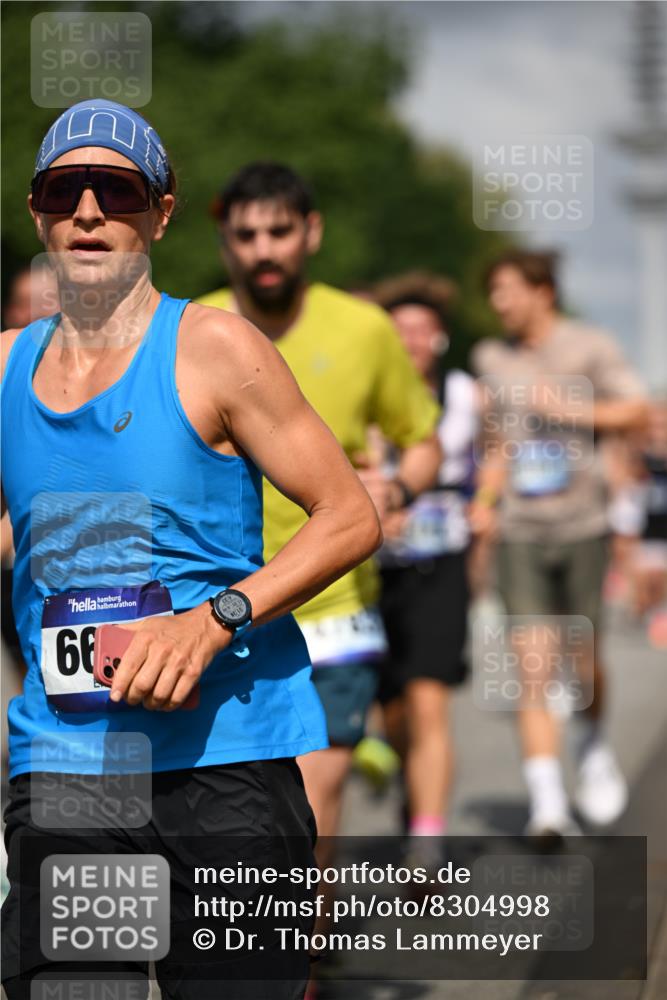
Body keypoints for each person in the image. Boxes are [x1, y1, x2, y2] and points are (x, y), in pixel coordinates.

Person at [1, 100, 382, 1000]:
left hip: (225, 757)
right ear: (37, 212)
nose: (89, 211)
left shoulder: (213, 348)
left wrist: (212, 623)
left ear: (160, 214)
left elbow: (347, 515)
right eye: (66, 190)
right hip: (66, 761)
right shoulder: (6, 365)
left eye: (118, 190)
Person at [198, 163, 441, 846]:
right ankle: (288, 939)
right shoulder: (197, 329)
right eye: (245, 235)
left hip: (335, 606)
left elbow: (421, 439)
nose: (263, 249)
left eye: (279, 231)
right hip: (225, 606)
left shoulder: (364, 329)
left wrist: (396, 487)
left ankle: (301, 948)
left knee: (312, 789)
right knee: (241, 812)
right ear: (224, 242)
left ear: (311, 232)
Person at [472, 250, 648, 838]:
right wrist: (485, 503)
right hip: (522, 529)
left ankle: (593, 744)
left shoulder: (589, 345)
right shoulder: (490, 359)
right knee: (532, 665)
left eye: (508, 290)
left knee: (584, 659)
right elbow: (495, 446)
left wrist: (576, 408)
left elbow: (638, 410)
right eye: (493, 292)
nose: (499, 302)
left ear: (543, 291)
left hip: (583, 524)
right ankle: (547, 805)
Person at [367, 272, 478, 860]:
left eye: (420, 329)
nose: (409, 339)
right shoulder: (369, 391)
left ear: (439, 338)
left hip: (442, 561)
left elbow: (499, 459)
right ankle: (415, 798)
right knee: (394, 711)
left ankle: (428, 839)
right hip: (374, 569)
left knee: (429, 695)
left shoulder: (464, 393)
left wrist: (487, 507)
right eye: (398, 329)